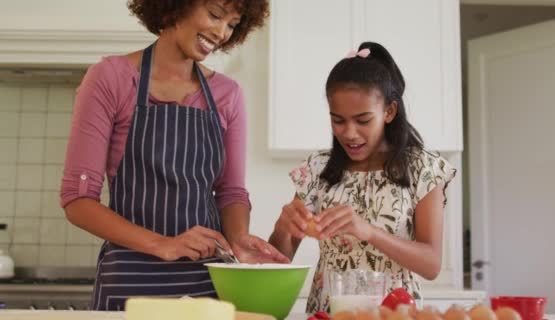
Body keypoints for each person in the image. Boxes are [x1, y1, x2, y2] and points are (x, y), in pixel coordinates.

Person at [60, 0, 288, 311]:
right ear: (175, 6)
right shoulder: (110, 78)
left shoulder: (227, 95)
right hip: (129, 284)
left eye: (232, 24)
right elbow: (78, 201)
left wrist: (238, 241)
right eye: (215, 15)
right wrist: (164, 245)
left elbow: (230, 192)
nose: (222, 32)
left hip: (206, 281)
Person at [269, 42, 456, 313]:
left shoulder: (423, 169)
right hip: (327, 315)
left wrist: (369, 232)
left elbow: (431, 264)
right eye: (338, 120)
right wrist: (283, 227)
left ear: (389, 112)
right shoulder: (316, 169)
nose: (349, 133)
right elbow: (278, 263)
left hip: (395, 315)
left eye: (363, 120)